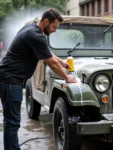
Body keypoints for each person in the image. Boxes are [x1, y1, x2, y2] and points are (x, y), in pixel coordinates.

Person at [0, 8, 77, 150]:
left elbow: (47, 52)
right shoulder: (35, 35)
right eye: (54, 26)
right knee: (12, 122)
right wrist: (67, 77)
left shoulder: (31, 29)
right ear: (46, 21)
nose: (55, 30)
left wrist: (62, 62)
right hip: (10, 80)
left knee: (11, 121)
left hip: (8, 79)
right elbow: (50, 62)